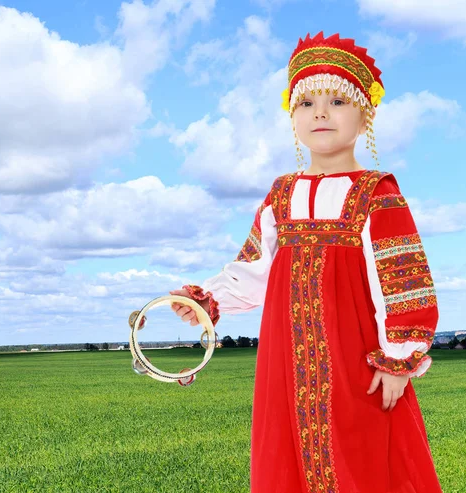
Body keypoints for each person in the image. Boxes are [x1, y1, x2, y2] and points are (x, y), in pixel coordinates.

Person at [170, 31, 443, 493]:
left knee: (363, 454)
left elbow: (401, 279)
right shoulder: (281, 194)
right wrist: (206, 299)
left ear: (365, 115)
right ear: (292, 117)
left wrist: (396, 358)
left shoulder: (377, 192)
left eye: (338, 100)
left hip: (355, 359)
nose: (320, 112)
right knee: (287, 456)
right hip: (284, 362)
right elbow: (254, 267)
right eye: (306, 103)